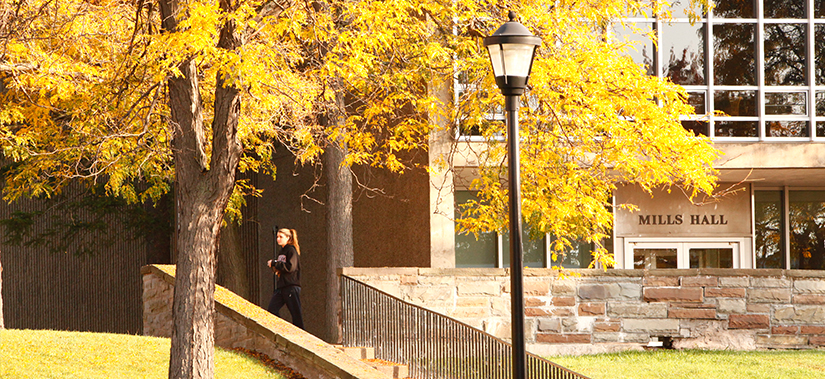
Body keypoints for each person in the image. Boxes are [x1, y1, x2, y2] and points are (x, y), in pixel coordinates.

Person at [266, 227, 304, 329]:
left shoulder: (291, 250)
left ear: (288, 238)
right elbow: (281, 267)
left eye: (281, 237)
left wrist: (275, 263)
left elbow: (290, 267)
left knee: (296, 315)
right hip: (282, 286)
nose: (278, 239)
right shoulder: (282, 251)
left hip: (291, 286)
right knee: (272, 310)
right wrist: (275, 266)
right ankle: (283, 329)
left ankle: (301, 335)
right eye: (277, 237)